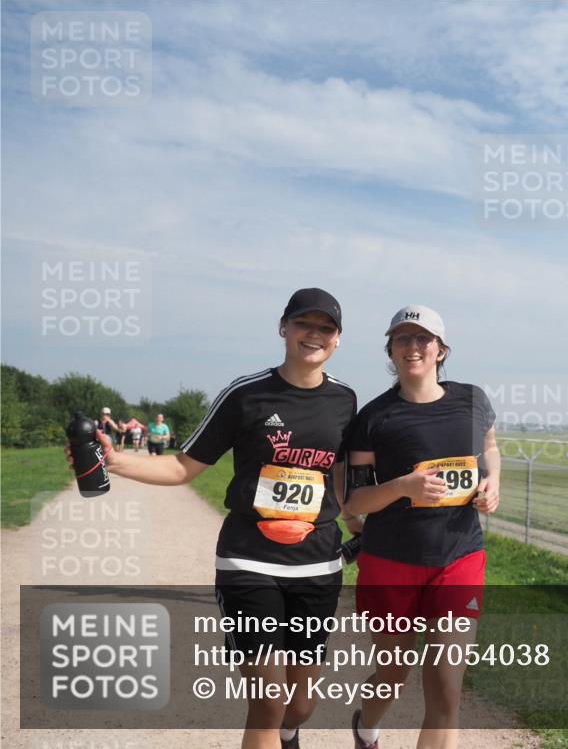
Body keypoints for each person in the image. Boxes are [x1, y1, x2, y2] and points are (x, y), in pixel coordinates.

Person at [66, 288, 359, 749]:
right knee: (268, 700)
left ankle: (289, 735)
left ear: (338, 340)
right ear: (284, 328)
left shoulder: (346, 400)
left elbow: (339, 477)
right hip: (250, 561)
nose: (314, 335)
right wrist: (115, 461)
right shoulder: (246, 395)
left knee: (300, 706)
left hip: (317, 565)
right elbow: (184, 467)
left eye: (326, 328)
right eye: (304, 324)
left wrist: (362, 521)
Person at [344, 305, 500, 749]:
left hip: (459, 558)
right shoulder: (373, 418)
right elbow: (356, 501)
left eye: (422, 339)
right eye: (402, 339)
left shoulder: (472, 399)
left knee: (446, 687)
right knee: (394, 672)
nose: (413, 347)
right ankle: (365, 725)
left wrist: (493, 484)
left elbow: (490, 448)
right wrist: (402, 486)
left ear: (441, 350)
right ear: (390, 350)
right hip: (390, 563)